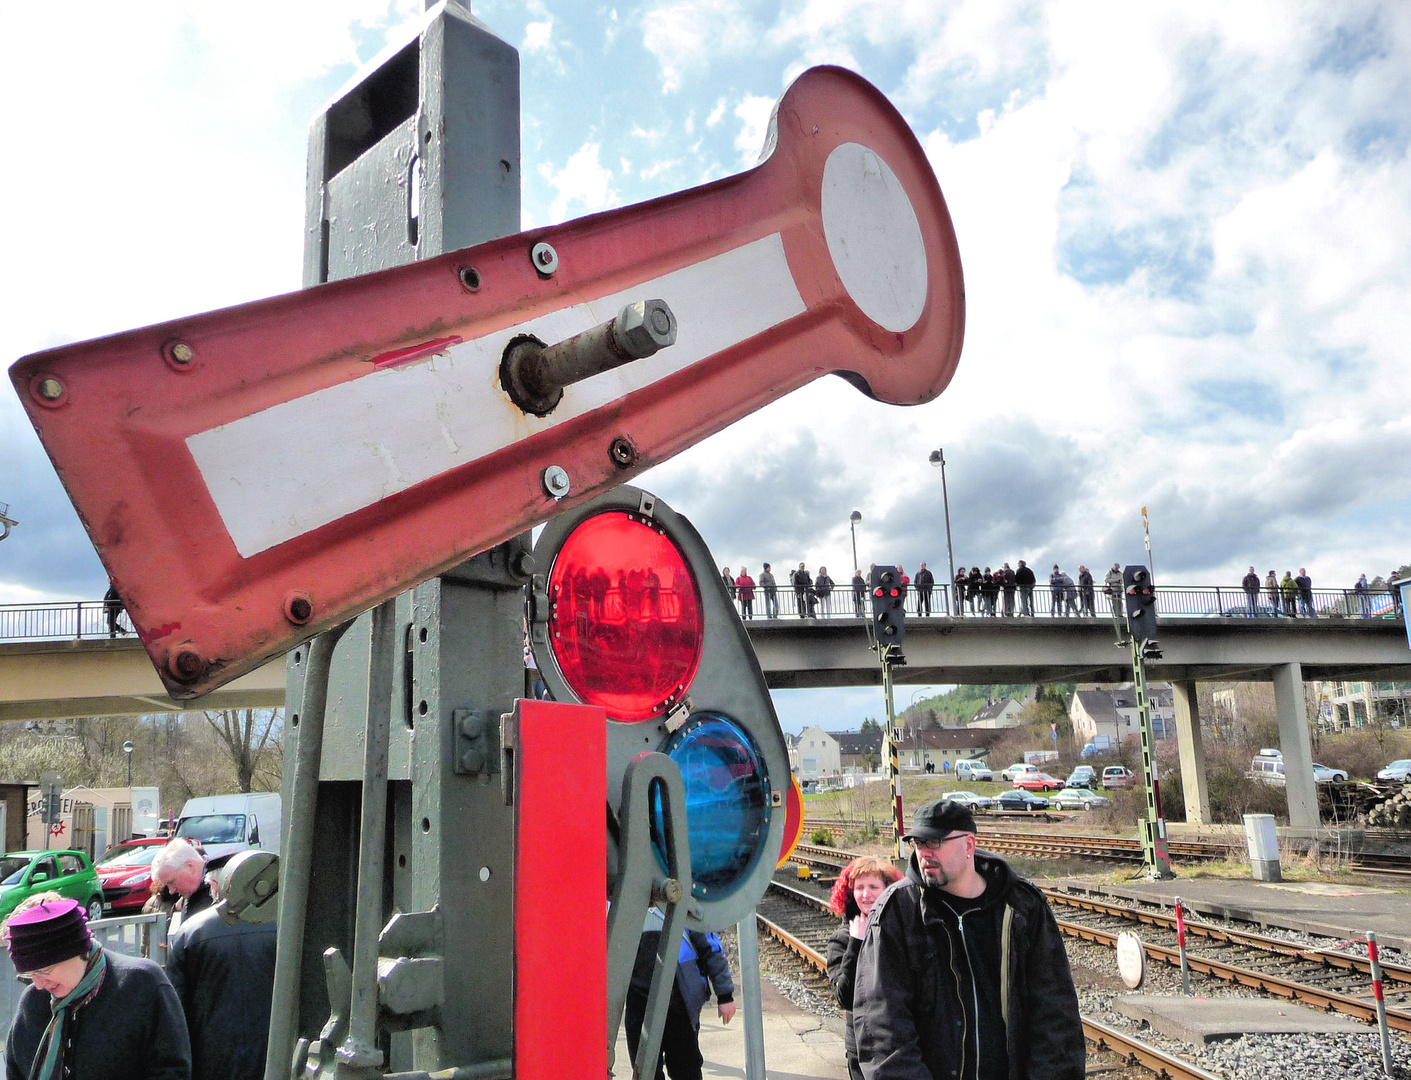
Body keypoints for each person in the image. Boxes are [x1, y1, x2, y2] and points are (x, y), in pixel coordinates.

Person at [852, 800, 1085, 1080]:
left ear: (969, 845)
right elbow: (882, 1025)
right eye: (918, 843)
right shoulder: (897, 912)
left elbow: (1056, 1014)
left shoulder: (1023, 907)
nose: (924, 853)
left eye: (934, 842)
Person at [3, 895, 191, 1080]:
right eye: (29, 974)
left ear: (75, 951)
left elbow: (172, 1070)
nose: (38, 984)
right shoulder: (33, 1002)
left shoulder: (141, 984)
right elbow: (16, 1071)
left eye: (44, 971)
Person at [167, 874, 277, 1080]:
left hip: (211, 1057)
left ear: (218, 886)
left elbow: (176, 1012)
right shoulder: (285, 925)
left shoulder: (191, 931)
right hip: (273, 1053)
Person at [624, 910, 736, 1080]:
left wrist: (725, 995)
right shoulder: (618, 902)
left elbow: (711, 948)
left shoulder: (685, 902)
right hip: (639, 1003)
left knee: (686, 1069)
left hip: (679, 1005)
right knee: (645, 1072)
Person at [827, 857, 904, 1080]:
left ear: (887, 891)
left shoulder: (900, 931)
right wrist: (856, 942)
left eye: (873, 887)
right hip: (864, 1050)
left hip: (900, 1043)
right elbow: (844, 996)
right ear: (850, 893)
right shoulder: (841, 940)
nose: (865, 894)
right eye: (859, 888)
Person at [147, 839, 213, 931]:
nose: (171, 891)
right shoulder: (192, 892)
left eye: (172, 882)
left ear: (189, 866)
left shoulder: (223, 888)